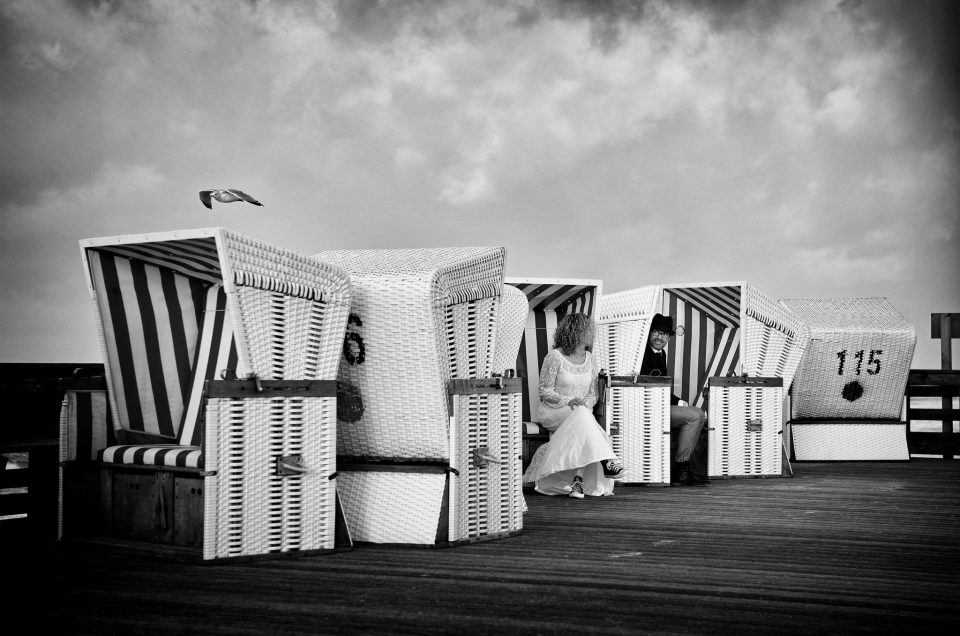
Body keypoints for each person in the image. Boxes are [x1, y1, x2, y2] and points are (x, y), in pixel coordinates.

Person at [522, 313, 626, 498]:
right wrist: (568, 401)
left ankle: (578, 481)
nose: (592, 334)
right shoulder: (554, 357)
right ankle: (606, 461)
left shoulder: (590, 359)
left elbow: (593, 393)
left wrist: (585, 404)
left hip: (581, 413)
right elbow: (544, 391)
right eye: (588, 330)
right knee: (583, 418)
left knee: (582, 418)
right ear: (576, 332)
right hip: (554, 410)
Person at [639, 313, 708, 486]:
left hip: (659, 405)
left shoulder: (661, 354)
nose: (659, 337)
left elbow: (661, 385)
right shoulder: (642, 353)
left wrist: (678, 400)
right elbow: (650, 386)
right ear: (649, 333)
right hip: (646, 408)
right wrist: (677, 401)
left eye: (663, 334)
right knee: (696, 415)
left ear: (669, 337)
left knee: (698, 413)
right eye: (656, 332)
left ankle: (683, 468)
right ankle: (681, 469)